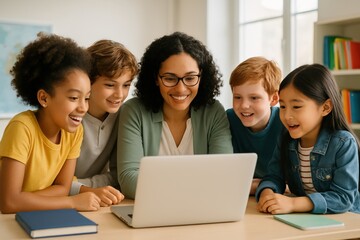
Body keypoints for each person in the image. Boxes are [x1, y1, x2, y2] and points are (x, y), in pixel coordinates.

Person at [116, 31, 233, 199]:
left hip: (201, 211)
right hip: (154, 210)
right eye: (170, 79)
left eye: (190, 78)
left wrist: (165, 187)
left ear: (202, 77)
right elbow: (129, 180)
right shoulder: (134, 111)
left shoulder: (213, 112)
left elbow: (224, 174)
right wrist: (197, 188)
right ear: (156, 78)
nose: (181, 89)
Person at [0, 33, 101, 213]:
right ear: (44, 98)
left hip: (36, 214)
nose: (83, 107)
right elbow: (8, 203)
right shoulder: (22, 128)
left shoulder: (74, 131)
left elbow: (63, 188)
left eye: (86, 98)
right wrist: (72, 202)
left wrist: (24, 199)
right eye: (74, 97)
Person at [256, 63, 360, 214]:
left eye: (296, 107)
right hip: (306, 218)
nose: (286, 116)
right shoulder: (286, 139)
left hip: (346, 221)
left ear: (325, 107)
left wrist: (293, 204)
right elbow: (274, 176)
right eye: (283, 106)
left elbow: (343, 198)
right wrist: (267, 192)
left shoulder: (343, 143)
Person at [69, 40, 138, 206]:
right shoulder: (69, 117)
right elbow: (52, 182)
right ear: (87, 82)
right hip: (60, 200)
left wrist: (83, 186)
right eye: (110, 85)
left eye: (126, 85)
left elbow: (117, 176)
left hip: (96, 200)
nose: (119, 94)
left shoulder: (124, 116)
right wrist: (84, 189)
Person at [226, 57, 284, 195]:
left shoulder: (285, 122)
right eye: (237, 97)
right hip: (241, 196)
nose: (244, 105)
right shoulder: (228, 120)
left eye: (254, 98)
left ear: (274, 99)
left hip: (275, 196)